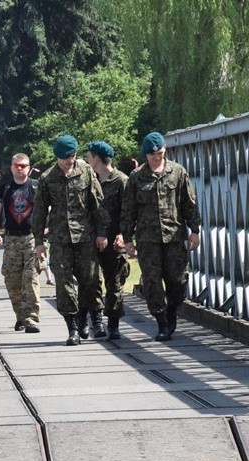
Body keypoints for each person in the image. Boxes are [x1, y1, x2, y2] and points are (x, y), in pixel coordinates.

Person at [121, 132, 201, 341]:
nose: (158, 157)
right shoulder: (137, 177)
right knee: (152, 282)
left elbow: (188, 203)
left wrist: (195, 230)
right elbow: (128, 210)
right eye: (153, 154)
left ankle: (172, 309)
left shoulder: (177, 172)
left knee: (178, 279)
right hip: (148, 240)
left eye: (161, 153)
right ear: (146, 154)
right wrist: (127, 239)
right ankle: (161, 321)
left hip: (174, 236)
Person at [32, 135, 110, 346]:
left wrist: (102, 232)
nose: (70, 160)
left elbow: (98, 204)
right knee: (64, 285)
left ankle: (94, 319)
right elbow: (39, 211)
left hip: (85, 237)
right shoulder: (47, 178)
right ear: (57, 156)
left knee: (91, 280)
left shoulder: (85, 172)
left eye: (73, 156)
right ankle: (73, 327)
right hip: (60, 239)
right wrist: (39, 241)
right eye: (66, 157)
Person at [0, 153, 41, 333]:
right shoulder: (4, 188)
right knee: (12, 280)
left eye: (23, 165)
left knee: (31, 279)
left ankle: (31, 319)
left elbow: (48, 209)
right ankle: (20, 316)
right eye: (16, 165)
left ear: (29, 167)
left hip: (31, 239)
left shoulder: (36, 186)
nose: (20, 168)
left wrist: (46, 228)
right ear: (11, 167)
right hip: (11, 239)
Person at [86, 141, 130, 340]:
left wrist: (124, 234)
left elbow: (129, 212)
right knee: (91, 280)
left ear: (96, 158)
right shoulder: (88, 180)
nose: (87, 159)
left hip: (114, 241)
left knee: (115, 283)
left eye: (89, 156)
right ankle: (96, 322)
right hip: (92, 240)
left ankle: (113, 324)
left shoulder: (121, 181)